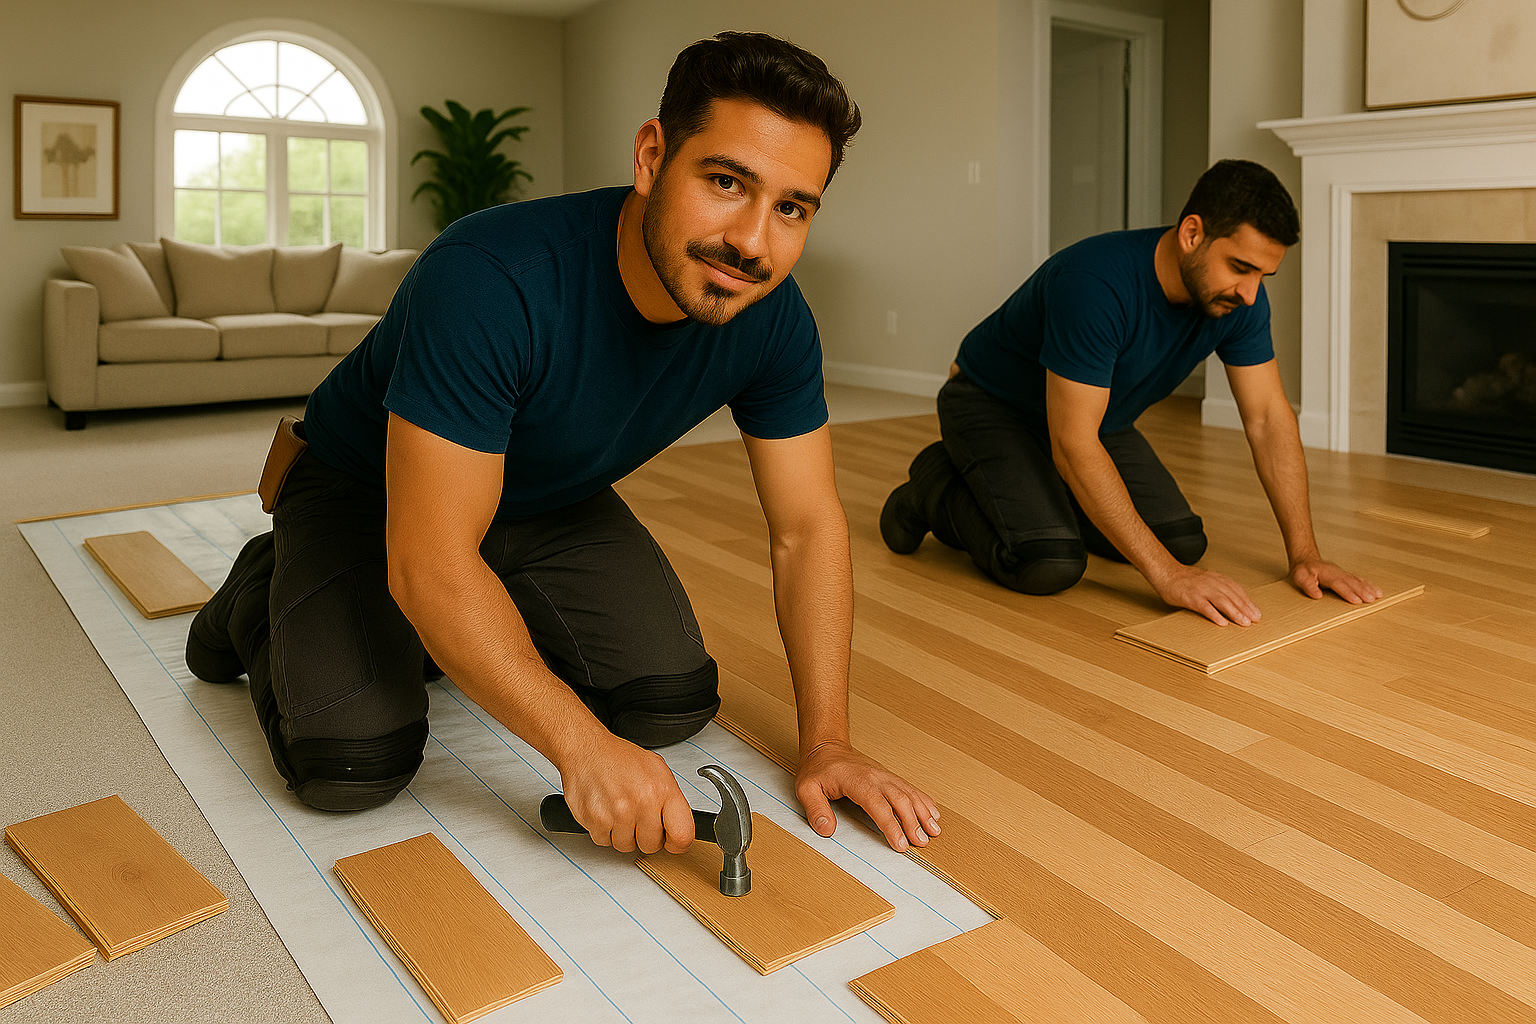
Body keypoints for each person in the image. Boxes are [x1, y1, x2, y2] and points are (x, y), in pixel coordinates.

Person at [187, 31, 939, 856]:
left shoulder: (774, 319)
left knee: (668, 703)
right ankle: (260, 593)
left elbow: (807, 527)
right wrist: (578, 748)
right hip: (368, 491)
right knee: (353, 764)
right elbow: (432, 559)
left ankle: (457, 615)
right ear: (653, 156)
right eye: (727, 182)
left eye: (792, 207)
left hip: (545, 495)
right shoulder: (489, 276)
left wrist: (826, 741)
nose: (753, 243)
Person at [880, 159, 1381, 626]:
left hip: (1098, 421)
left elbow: (1269, 419)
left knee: (1181, 542)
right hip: (992, 405)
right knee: (1048, 562)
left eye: (1263, 275)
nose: (1251, 293)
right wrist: (1166, 578)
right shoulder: (1095, 283)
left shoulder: (1238, 302)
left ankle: (1036, 489)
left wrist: (1305, 555)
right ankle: (932, 485)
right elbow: (1074, 445)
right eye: (1240, 267)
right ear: (1192, 234)